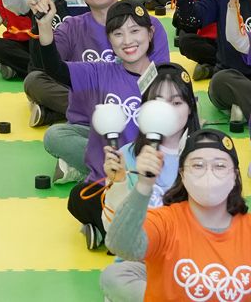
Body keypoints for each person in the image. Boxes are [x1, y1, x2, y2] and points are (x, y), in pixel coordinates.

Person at [33, 0, 162, 249]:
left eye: (135, 31)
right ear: (109, 39)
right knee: (78, 198)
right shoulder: (99, 73)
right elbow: (54, 68)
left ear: (150, 32)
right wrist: (45, 25)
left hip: (157, 183)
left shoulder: (168, 79)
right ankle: (125, 233)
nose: (128, 41)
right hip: (111, 181)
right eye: (118, 34)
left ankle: (112, 232)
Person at [37, 0, 169, 171]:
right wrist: (42, 25)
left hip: (139, 128)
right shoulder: (76, 34)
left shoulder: (149, 25)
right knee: (55, 135)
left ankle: (94, 167)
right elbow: (48, 65)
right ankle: (120, 169)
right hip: (89, 126)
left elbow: (162, 83)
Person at [106, 129, 250, 302]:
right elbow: (120, 245)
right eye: (198, 165)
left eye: (219, 166)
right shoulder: (165, 222)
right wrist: (144, 186)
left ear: (234, 175)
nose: (208, 174)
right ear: (182, 174)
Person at [99, 64, 200, 302]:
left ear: (190, 108)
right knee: (113, 277)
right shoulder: (128, 155)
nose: (168, 111)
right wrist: (118, 182)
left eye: (177, 103)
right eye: (158, 103)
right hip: (140, 262)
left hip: (192, 260)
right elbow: (112, 228)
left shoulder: (204, 155)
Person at [174, 0, 251, 123]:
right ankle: (239, 103)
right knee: (221, 81)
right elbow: (188, 21)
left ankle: (241, 106)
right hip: (232, 77)